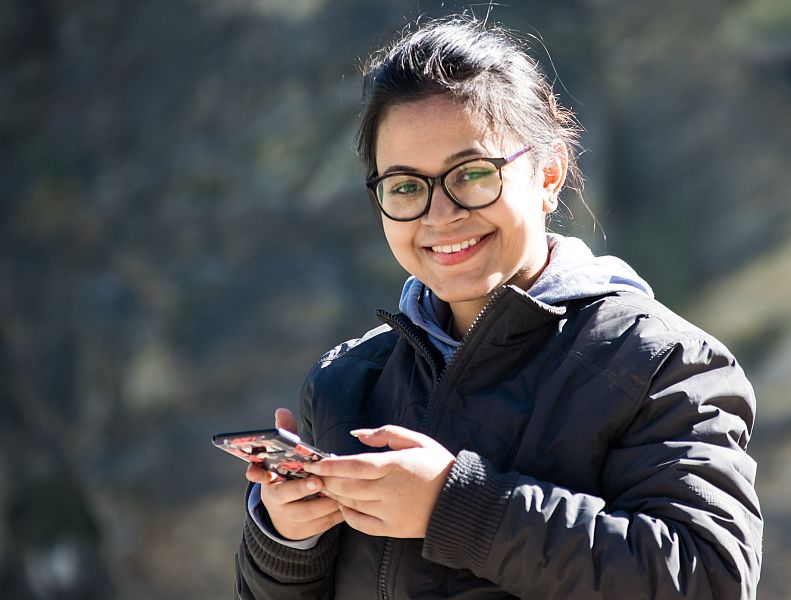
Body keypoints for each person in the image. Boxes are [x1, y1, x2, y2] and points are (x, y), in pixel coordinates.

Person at [234, 15, 763, 600]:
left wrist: (454, 506)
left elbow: (710, 579)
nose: (440, 215)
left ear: (549, 174)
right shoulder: (346, 382)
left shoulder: (661, 363)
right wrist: (285, 538)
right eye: (406, 186)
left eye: (473, 175)